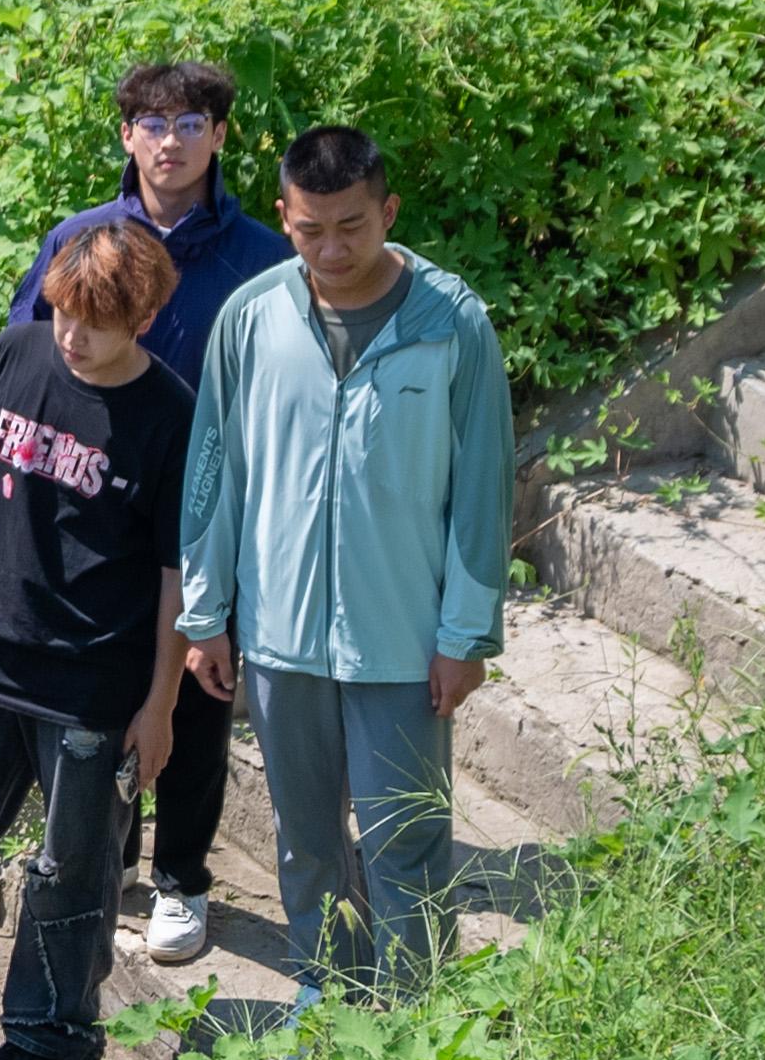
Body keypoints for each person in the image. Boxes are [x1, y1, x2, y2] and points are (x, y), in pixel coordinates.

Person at [175, 126, 514, 1002]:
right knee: (306, 839)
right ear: (283, 216)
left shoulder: (451, 322)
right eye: (310, 229)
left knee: (407, 838)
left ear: (388, 212)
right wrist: (205, 613)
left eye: (351, 228)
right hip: (283, 636)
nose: (330, 249)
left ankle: (416, 1019)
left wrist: (465, 634)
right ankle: (329, 1000)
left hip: (401, 639)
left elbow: (480, 489)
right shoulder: (251, 317)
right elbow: (215, 468)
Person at [1, 59, 287, 970]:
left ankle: (182, 877)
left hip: (209, 512)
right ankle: (103, 855)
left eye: (191, 122)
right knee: (106, 686)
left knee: (197, 694)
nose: (171, 140)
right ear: (126, 136)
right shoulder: (78, 239)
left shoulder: (258, 259)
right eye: (152, 122)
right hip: (88, 505)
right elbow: (25, 352)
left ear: (220, 135)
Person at [0, 215, 192, 1060]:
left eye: (94, 324)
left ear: (140, 318)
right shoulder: (15, 354)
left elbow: (180, 573)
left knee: (71, 873)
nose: (71, 336)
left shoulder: (171, 417)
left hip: (92, 691)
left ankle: (48, 1036)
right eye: (63, 313)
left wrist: (159, 705)